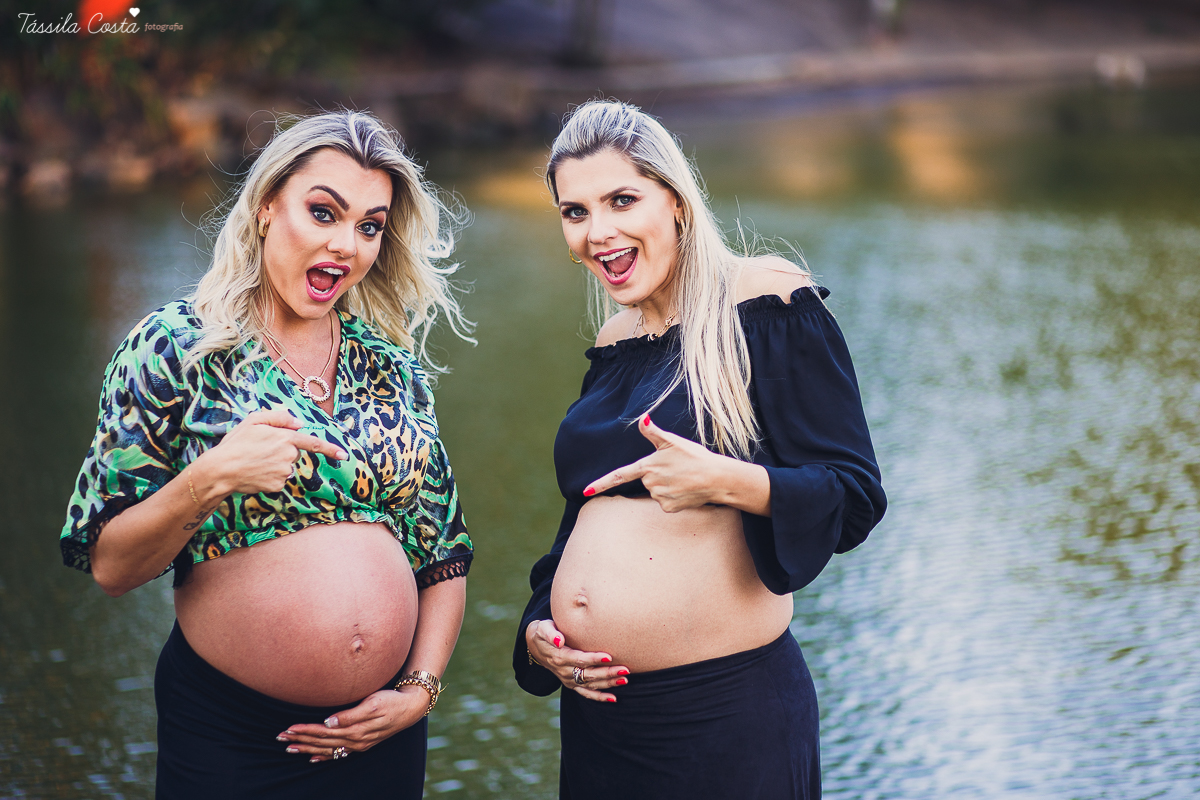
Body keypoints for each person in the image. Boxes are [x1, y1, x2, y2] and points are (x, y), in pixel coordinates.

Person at [60, 111, 474, 798]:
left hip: (381, 737)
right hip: (234, 736)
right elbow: (111, 565)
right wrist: (209, 480)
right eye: (323, 213)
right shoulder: (175, 347)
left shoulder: (390, 367)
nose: (347, 245)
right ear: (264, 208)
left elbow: (442, 552)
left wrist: (419, 690)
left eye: (369, 226)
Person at [513, 100, 887, 799]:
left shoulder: (767, 301)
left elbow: (855, 497)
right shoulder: (614, 343)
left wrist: (728, 481)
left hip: (723, 720)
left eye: (623, 199)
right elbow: (582, 517)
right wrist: (540, 624)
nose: (600, 232)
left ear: (676, 201)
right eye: (576, 211)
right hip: (601, 722)